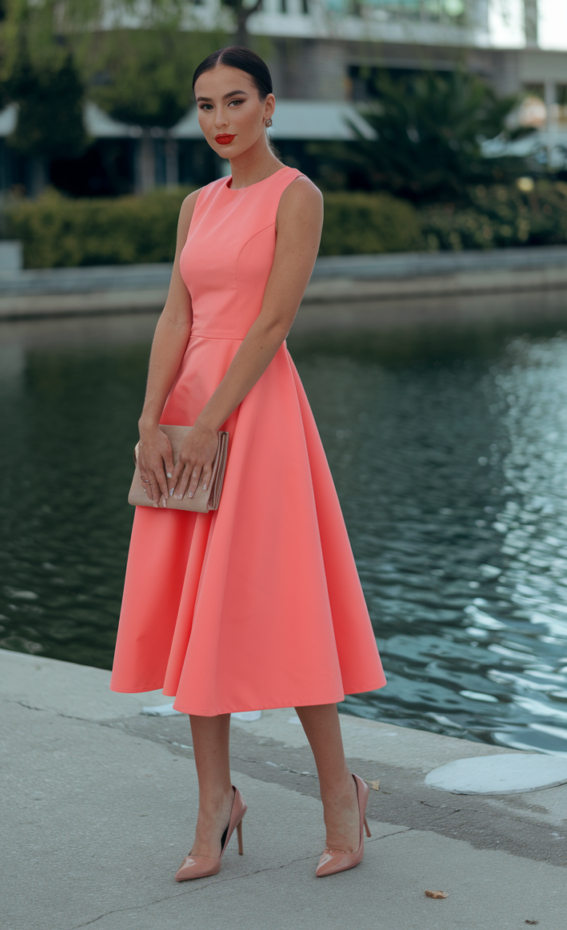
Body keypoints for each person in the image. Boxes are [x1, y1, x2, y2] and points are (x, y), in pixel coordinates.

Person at [110, 46, 386, 881]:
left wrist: (211, 423)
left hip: (257, 415)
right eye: (205, 106)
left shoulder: (297, 195)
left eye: (236, 102)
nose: (220, 121)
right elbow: (174, 315)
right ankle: (214, 808)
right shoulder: (196, 205)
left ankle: (343, 798)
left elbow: (270, 325)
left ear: (271, 107)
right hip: (189, 412)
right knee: (200, 621)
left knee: (284, 603)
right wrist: (153, 421)